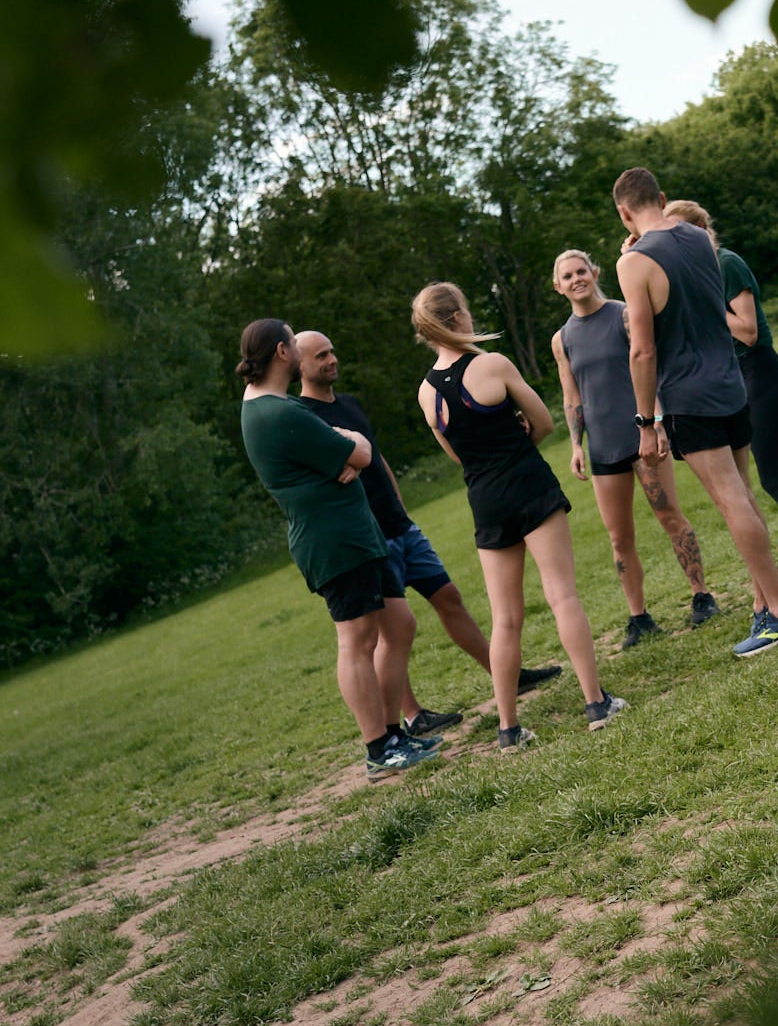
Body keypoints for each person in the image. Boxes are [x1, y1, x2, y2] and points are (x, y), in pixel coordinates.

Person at [295, 330, 562, 732]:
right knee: (396, 630)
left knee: (449, 598)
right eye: (321, 356)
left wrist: (400, 506)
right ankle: (410, 716)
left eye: (332, 351)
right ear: (300, 365)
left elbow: (374, 456)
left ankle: (506, 673)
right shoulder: (304, 417)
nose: (331, 360)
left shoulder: (348, 404)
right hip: (367, 536)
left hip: (400, 527)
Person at [412, 282, 627, 750]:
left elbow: (458, 456)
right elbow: (545, 423)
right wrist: (516, 442)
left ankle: (508, 729)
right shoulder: (492, 364)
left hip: (485, 499)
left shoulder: (427, 392)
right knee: (562, 596)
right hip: (528, 484)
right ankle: (596, 704)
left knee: (505, 619)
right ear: (455, 320)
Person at [236, 318, 444, 784]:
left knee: (400, 623)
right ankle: (378, 748)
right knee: (357, 641)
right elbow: (363, 454)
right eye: (292, 340)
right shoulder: (278, 413)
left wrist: (348, 451)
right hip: (333, 541)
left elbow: (353, 455)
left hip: (356, 533)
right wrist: (352, 448)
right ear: (283, 352)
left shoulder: (277, 406)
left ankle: (394, 734)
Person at [612, 168, 778, 658]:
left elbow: (642, 349)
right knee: (742, 494)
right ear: (661, 197)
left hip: (687, 395)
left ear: (623, 213)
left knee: (730, 501)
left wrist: (645, 421)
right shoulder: (699, 239)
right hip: (730, 384)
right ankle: (766, 605)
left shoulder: (634, 263)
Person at [663, 202, 778, 614]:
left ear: (699, 230)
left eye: (677, 232)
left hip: (761, 374)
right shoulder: (697, 273)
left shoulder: (726, 264)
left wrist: (705, 298)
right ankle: (776, 589)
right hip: (735, 383)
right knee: (749, 488)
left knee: (774, 475)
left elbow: (747, 331)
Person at [550, 249, 719, 648]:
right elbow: (571, 396)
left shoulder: (624, 315)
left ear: (594, 273)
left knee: (669, 516)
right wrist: (576, 445)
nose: (577, 279)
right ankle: (639, 618)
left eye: (581, 271)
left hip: (642, 435)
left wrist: (657, 423)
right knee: (618, 537)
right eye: (567, 276)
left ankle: (702, 596)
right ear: (558, 287)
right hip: (603, 447)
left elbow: (652, 369)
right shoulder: (562, 340)